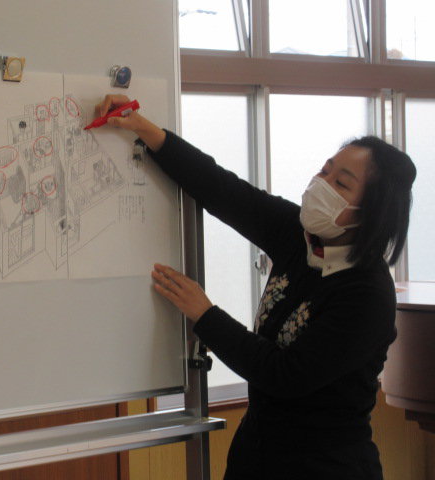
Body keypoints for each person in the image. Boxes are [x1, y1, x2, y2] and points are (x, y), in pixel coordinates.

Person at [97, 94, 417, 480]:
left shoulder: (367, 294)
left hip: (325, 465)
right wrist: (142, 127)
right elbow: (222, 190)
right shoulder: (301, 236)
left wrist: (205, 315)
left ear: (372, 212)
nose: (321, 184)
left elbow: (285, 375)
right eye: (325, 170)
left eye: (341, 184)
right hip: (257, 452)